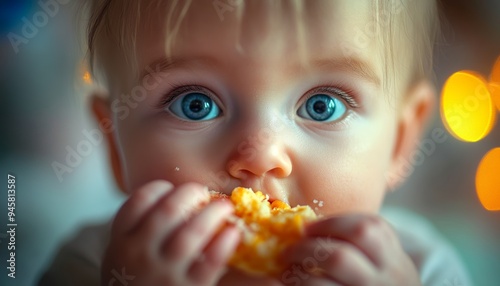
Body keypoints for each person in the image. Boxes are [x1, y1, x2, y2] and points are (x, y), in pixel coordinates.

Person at [39, 0, 472, 285]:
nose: (261, 154)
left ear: (399, 141)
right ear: (115, 143)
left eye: (322, 105)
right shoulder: (92, 267)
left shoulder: (422, 269)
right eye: (195, 104)